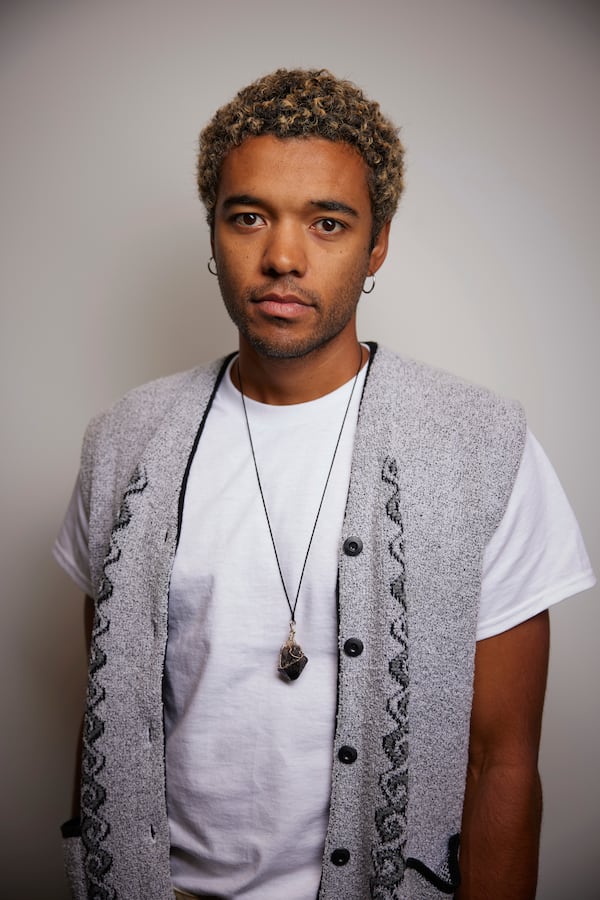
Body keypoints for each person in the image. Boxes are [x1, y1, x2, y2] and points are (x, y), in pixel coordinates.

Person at [53, 68, 595, 900]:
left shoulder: (480, 445)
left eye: (328, 222)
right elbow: (103, 724)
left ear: (377, 245)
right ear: (214, 234)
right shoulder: (125, 441)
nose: (281, 256)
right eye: (248, 217)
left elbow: (502, 763)